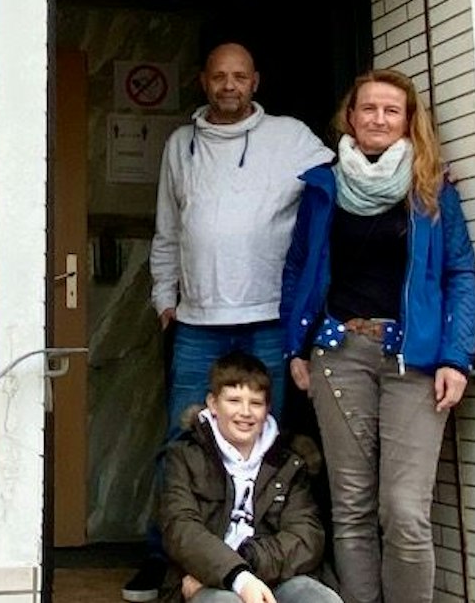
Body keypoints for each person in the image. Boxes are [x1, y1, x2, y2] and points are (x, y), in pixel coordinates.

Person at [130, 43, 332, 603]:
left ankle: (262, 560)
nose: (229, 85)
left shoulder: (292, 137)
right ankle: (167, 561)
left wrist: (416, 175)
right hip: (197, 318)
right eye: (219, 76)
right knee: (183, 441)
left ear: (255, 81)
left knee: (267, 443)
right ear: (203, 81)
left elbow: (347, 179)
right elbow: (168, 228)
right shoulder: (181, 144)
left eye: (239, 76)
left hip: (270, 317)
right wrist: (164, 296)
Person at [278, 69, 475, 603]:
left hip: (414, 359)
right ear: (350, 117)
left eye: (392, 110)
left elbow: (460, 274)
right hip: (338, 353)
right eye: (368, 108)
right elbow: (298, 268)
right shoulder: (323, 187)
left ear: (409, 121)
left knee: (405, 510)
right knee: (351, 506)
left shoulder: (432, 188)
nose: (379, 119)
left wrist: (456, 357)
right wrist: (295, 346)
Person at [157, 351, 340, 603]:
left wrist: (247, 565)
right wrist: (234, 576)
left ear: (267, 409)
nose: (245, 412)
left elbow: (306, 536)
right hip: (205, 578)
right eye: (233, 400)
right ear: (213, 403)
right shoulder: (184, 456)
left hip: (276, 576)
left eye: (255, 403)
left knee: (321, 599)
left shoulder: (290, 461)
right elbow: (180, 529)